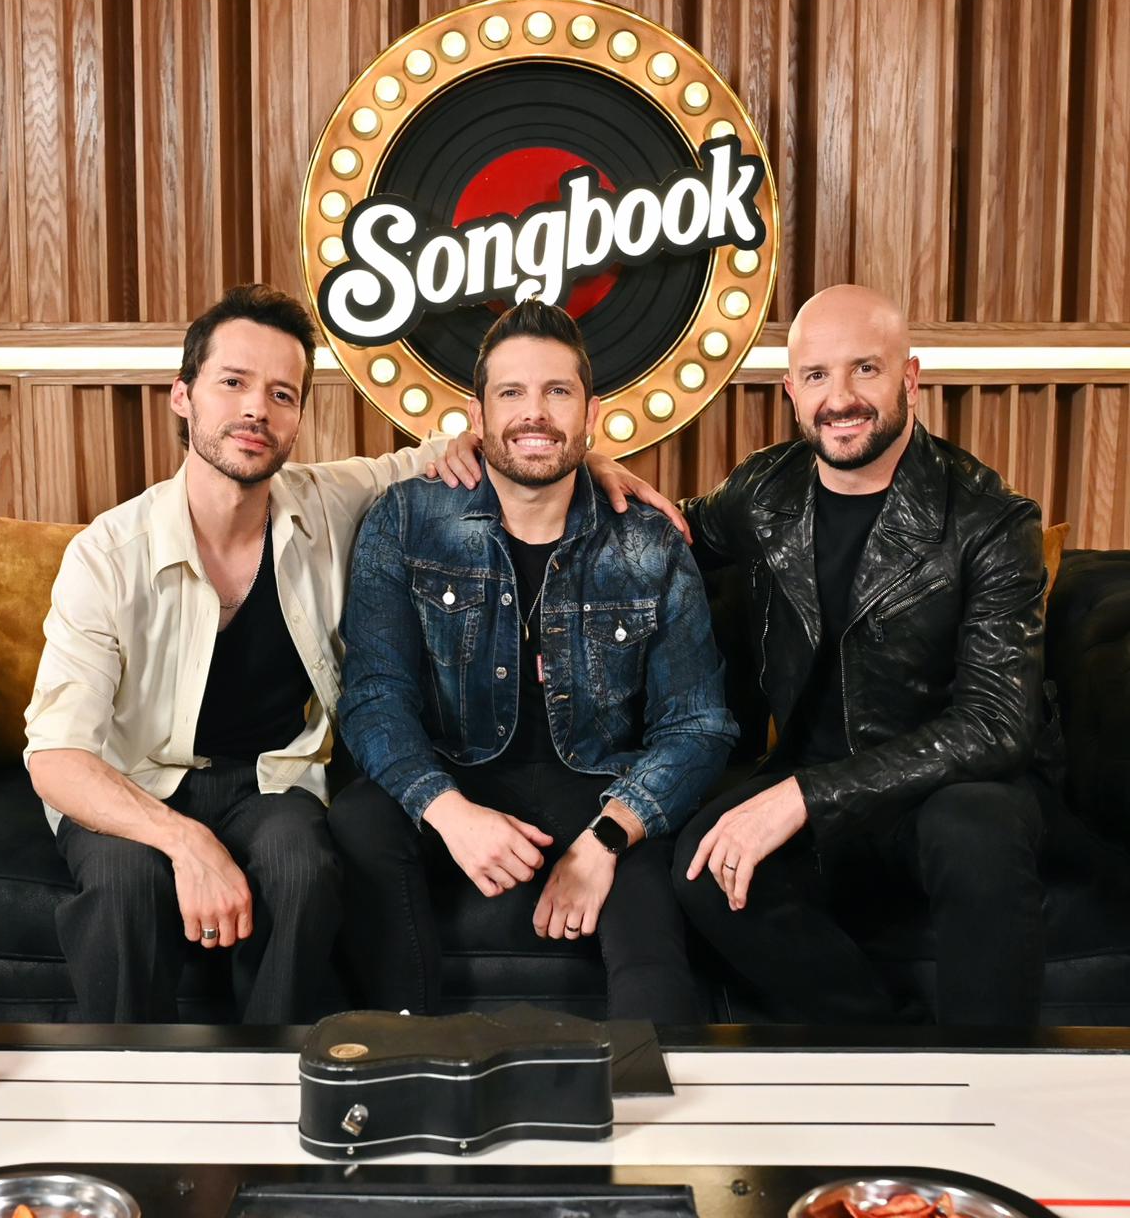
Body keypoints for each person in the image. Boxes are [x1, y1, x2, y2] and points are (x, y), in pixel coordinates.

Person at [23, 283, 488, 1024]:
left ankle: (273, 1076)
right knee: (124, 887)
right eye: (233, 383)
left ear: (299, 417)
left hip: (268, 780)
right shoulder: (107, 555)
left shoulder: (327, 503)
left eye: (281, 394)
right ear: (184, 395)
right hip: (131, 783)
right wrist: (186, 843)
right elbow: (56, 758)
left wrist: (595, 467)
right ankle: (124, 1082)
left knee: (303, 870)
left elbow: (463, 454)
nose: (256, 411)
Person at [332, 299, 738, 1022]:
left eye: (557, 391)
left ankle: (648, 1090)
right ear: (477, 415)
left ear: (591, 413)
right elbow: (374, 697)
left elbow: (698, 725)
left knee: (650, 922)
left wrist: (606, 839)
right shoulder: (406, 519)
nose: (535, 414)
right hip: (453, 773)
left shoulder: (647, 541)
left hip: (601, 784)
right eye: (512, 392)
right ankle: (407, 1061)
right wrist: (450, 813)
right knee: (363, 821)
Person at [673, 283, 1054, 1026]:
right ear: (791, 390)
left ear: (909, 378)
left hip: (947, 789)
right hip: (816, 786)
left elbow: (995, 724)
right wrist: (597, 475)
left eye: (865, 370)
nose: (840, 398)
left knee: (974, 833)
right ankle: (881, 1042)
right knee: (701, 861)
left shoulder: (989, 519)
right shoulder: (765, 491)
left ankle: (995, 1080)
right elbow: (665, 536)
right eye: (817, 375)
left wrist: (806, 795)